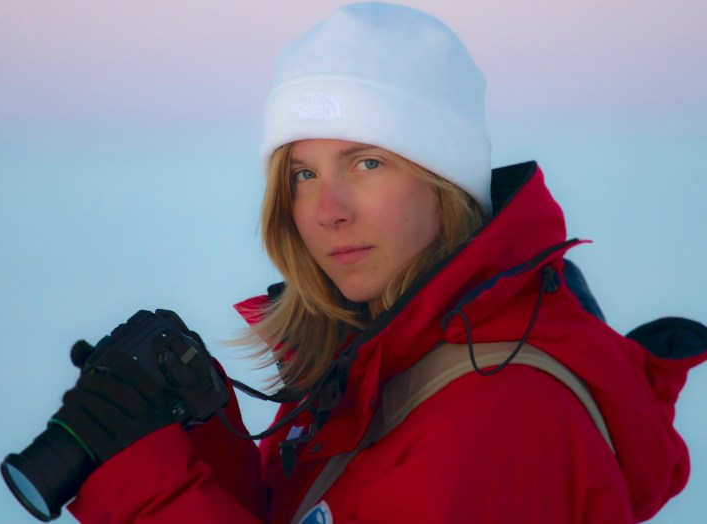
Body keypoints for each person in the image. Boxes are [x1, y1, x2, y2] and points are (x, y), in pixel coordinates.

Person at [35, 2, 707, 523]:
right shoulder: (368, 374)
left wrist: (146, 488)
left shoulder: (502, 416)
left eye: (366, 163)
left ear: (446, 182)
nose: (326, 210)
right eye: (302, 174)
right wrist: (199, 440)